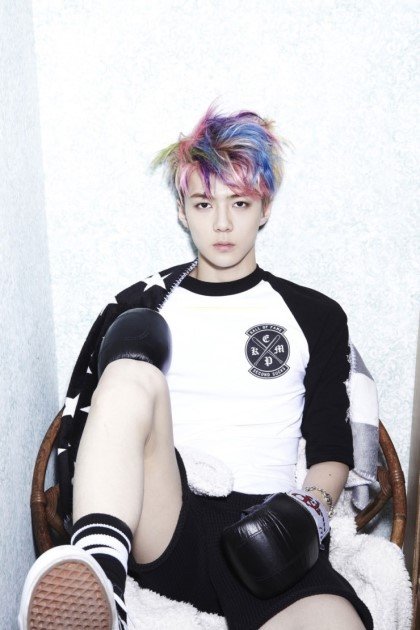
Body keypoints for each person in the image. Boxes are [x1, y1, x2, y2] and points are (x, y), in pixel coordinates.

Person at [19, 102, 374, 629]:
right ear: (182, 211)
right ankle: (105, 582)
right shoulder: (143, 305)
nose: (223, 223)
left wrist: (308, 511)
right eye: (205, 204)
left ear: (265, 207)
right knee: (131, 370)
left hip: (270, 537)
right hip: (170, 521)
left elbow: (330, 449)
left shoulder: (315, 314)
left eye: (240, 202)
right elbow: (110, 420)